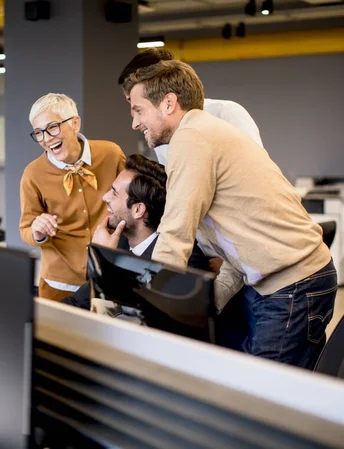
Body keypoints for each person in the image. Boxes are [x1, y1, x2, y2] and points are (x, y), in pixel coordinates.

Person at [122, 60, 336, 369]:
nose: (134, 122)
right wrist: (206, 304)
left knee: (267, 400)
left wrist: (153, 309)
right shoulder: (203, 133)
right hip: (291, 284)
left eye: (138, 110)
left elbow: (175, 233)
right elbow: (238, 247)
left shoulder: (192, 138)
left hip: (294, 287)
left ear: (168, 103)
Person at [62, 154, 209, 311]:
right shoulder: (120, 242)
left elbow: (143, 320)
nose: (105, 197)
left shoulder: (184, 260)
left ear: (138, 210)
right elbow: (79, 302)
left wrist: (102, 259)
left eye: (114, 193)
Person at [20, 93, 126, 301]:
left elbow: (131, 202)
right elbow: (26, 229)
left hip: (111, 274)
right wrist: (38, 230)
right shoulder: (33, 174)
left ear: (75, 123)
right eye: (38, 133)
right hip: (60, 284)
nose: (46, 138)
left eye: (52, 127)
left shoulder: (111, 154)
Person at [118, 48, 263, 166]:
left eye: (135, 101)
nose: (135, 120)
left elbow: (257, 169)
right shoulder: (161, 132)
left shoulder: (227, 112)